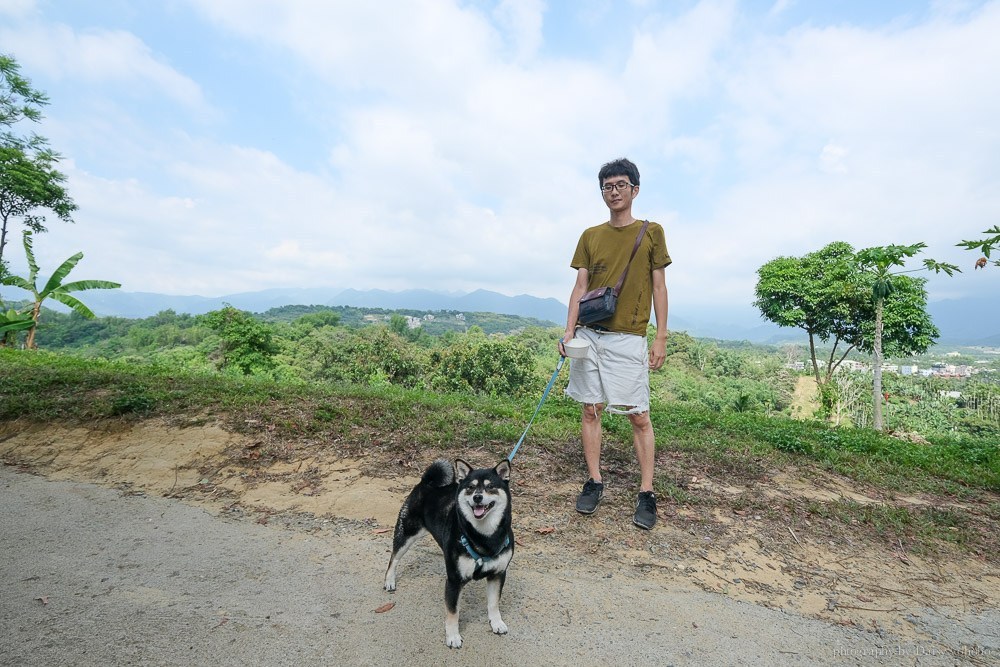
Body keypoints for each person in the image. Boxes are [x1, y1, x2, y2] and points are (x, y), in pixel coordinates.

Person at [558, 158, 671, 530]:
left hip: (628, 338)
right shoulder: (591, 235)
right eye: (607, 186)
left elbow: (658, 287)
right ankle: (594, 481)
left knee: (639, 415)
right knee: (591, 409)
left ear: (635, 190)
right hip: (590, 336)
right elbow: (580, 287)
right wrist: (569, 330)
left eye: (621, 185)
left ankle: (647, 491)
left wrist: (660, 336)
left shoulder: (651, 232)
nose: (614, 192)